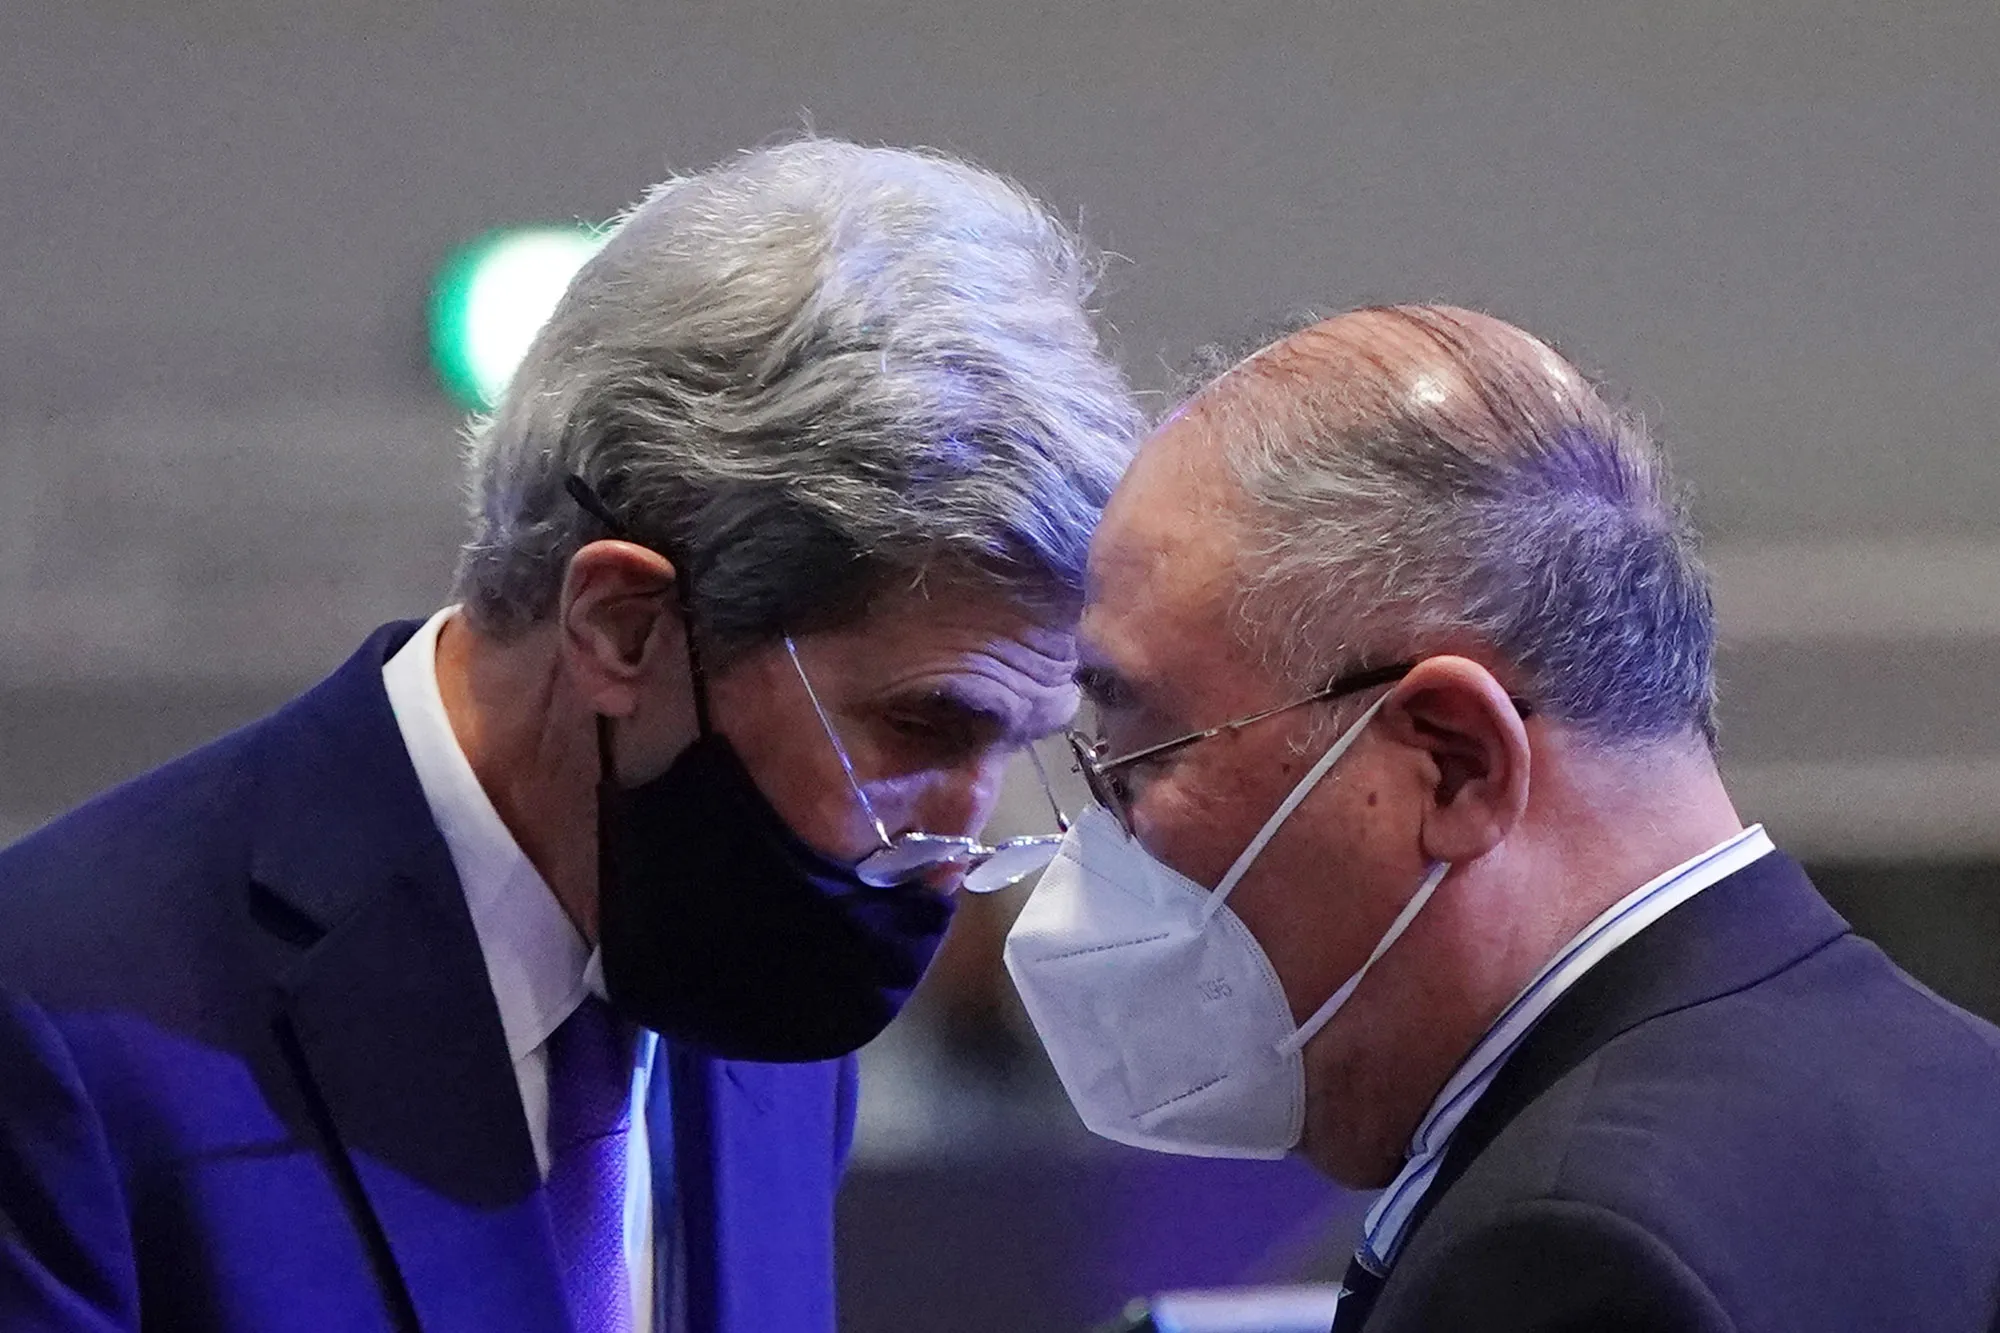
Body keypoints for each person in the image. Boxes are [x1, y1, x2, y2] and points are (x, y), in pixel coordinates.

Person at [0, 139, 1138, 1332]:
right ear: (622, 625)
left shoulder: (765, 994)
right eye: (920, 723)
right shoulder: (60, 1024)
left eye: (1018, 743)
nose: (960, 848)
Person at [1004, 304, 2000, 1332]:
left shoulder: (1563, 1253)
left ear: (1453, 762)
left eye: (1142, 754)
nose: (1109, 836)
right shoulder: (1959, 1087)